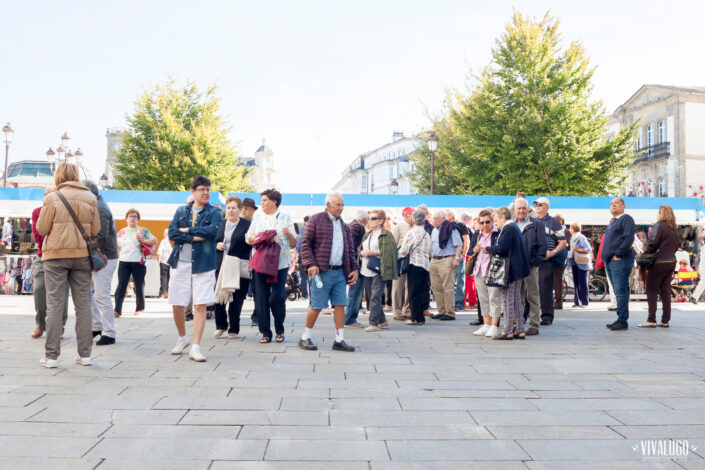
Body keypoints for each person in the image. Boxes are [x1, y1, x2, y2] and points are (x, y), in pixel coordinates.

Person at [36, 163, 100, 368]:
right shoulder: (90, 197)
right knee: (83, 305)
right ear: (76, 175)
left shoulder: (52, 198)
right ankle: (85, 354)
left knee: (54, 304)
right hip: (82, 255)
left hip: (55, 256)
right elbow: (96, 229)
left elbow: (42, 228)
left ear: (59, 176)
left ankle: (52, 357)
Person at [167, 175, 222, 362]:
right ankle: (183, 338)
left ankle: (196, 347)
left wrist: (187, 231)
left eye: (208, 189)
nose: (206, 192)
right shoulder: (181, 210)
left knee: (200, 305)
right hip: (180, 261)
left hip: (203, 264)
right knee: (177, 303)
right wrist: (195, 237)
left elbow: (212, 232)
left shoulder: (214, 212)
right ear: (193, 191)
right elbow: (172, 232)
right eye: (202, 189)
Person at [298, 193, 359, 351]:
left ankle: (339, 340)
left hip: (339, 272)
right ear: (328, 204)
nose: (341, 208)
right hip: (321, 271)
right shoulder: (316, 219)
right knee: (317, 305)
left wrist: (354, 269)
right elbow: (305, 245)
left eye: (342, 204)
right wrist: (310, 264)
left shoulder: (344, 225)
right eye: (338, 204)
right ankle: (305, 337)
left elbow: (350, 251)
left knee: (340, 305)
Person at [246, 188, 297, 343]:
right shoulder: (257, 216)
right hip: (260, 262)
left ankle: (279, 329)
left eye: (264, 200)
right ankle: (265, 332)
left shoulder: (285, 217)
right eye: (261, 200)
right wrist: (262, 238)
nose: (261, 203)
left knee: (277, 297)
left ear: (274, 201)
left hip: (280, 264)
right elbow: (248, 237)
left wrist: (287, 233)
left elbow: (294, 242)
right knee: (261, 298)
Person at [483, 207, 531, 340]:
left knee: (508, 300)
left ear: (503, 217)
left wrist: (488, 249)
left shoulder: (508, 228)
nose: (495, 223)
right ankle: (520, 329)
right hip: (518, 269)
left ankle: (508, 330)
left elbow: (502, 248)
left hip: (511, 270)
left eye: (496, 220)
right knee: (516, 300)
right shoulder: (514, 227)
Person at [82, 180, 119, 346]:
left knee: (101, 295)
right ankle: (97, 326)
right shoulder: (98, 204)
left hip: (104, 257)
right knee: (88, 292)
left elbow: (101, 235)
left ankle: (109, 333)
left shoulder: (99, 208)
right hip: (101, 256)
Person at [30, 186, 69, 339]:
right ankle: (41, 324)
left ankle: (59, 327)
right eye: (47, 195)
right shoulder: (37, 212)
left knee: (62, 293)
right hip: (44, 255)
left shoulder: (64, 212)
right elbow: (38, 235)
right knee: (39, 289)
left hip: (62, 256)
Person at [213, 197, 252, 339]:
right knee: (219, 296)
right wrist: (216, 245)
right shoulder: (220, 224)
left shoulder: (247, 225)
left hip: (238, 265)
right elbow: (211, 241)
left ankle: (234, 328)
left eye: (233, 208)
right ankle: (221, 325)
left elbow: (251, 244)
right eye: (228, 207)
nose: (230, 210)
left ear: (240, 209)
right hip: (220, 265)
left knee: (237, 298)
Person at [639, 205, 679, 328]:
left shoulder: (659, 225)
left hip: (659, 262)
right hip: (671, 261)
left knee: (651, 290)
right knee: (665, 291)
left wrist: (646, 252)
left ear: (662, 214)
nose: (657, 215)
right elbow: (677, 245)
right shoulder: (674, 229)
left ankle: (651, 319)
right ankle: (665, 320)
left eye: (658, 212)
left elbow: (652, 243)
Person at [359, 209, 397, 331]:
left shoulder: (386, 234)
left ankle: (373, 323)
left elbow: (390, 252)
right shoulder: (367, 234)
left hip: (380, 268)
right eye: (370, 218)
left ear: (381, 220)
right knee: (371, 296)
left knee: (375, 296)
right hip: (366, 268)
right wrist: (361, 253)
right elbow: (361, 248)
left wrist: (372, 252)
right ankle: (382, 320)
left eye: (373, 218)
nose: (370, 220)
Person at [114, 209, 157, 317]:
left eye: (134, 216)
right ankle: (117, 310)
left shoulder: (143, 231)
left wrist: (144, 240)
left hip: (139, 261)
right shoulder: (121, 232)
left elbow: (155, 241)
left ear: (138, 219)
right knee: (121, 285)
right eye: (130, 216)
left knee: (139, 285)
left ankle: (139, 308)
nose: (132, 218)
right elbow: (117, 246)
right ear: (126, 219)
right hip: (124, 261)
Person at [513, 198, 546, 336]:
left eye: (523, 208)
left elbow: (542, 246)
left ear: (528, 210)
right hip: (515, 267)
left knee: (532, 296)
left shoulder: (536, 224)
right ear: (515, 210)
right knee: (517, 297)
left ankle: (534, 325)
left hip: (530, 266)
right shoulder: (512, 225)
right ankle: (517, 324)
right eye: (518, 208)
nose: (521, 211)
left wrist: (535, 263)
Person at [601, 197, 635, 331]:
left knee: (620, 290)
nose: (613, 205)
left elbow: (628, 238)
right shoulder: (612, 222)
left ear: (624, 206)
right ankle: (621, 318)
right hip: (611, 261)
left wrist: (618, 254)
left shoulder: (625, 219)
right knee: (619, 290)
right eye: (611, 203)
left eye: (616, 203)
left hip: (620, 260)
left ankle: (622, 320)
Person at [532, 197, 567, 325]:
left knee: (545, 288)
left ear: (547, 207)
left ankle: (547, 316)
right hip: (532, 259)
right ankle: (526, 315)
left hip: (547, 260)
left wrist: (552, 252)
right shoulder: (532, 221)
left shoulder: (554, 222)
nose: (538, 206)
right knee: (528, 288)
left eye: (540, 204)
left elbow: (563, 242)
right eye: (536, 204)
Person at [470, 209, 501, 337]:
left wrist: (490, 250)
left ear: (492, 221)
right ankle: (486, 323)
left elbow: (502, 249)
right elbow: (470, 251)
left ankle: (494, 325)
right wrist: (474, 249)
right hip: (478, 270)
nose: (484, 225)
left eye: (487, 222)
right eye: (482, 222)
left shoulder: (497, 233)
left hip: (493, 270)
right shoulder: (477, 234)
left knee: (494, 298)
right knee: (482, 298)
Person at [397, 209, 432, 325]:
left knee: (413, 292)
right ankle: (421, 316)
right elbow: (430, 251)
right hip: (425, 265)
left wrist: (395, 257)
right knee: (422, 291)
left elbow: (404, 250)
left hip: (414, 263)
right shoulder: (426, 234)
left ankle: (415, 318)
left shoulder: (411, 233)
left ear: (413, 219)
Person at [429, 210, 463, 321]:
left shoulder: (450, 228)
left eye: (437, 218)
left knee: (447, 287)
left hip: (447, 259)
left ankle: (450, 312)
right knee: (436, 287)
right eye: (433, 218)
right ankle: (441, 311)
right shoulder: (433, 230)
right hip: (434, 259)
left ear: (443, 219)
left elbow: (459, 245)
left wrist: (456, 259)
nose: (434, 221)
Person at [344, 210, 369, 327]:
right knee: (355, 292)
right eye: (369, 219)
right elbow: (352, 247)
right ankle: (350, 319)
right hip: (356, 264)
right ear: (364, 220)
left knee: (354, 292)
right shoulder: (357, 227)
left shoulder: (352, 225)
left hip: (351, 263)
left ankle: (349, 318)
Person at [391, 207, 413, 321]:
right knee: (397, 287)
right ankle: (397, 311)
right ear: (406, 215)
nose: (413, 218)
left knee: (409, 286)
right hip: (400, 261)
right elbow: (393, 244)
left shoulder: (415, 227)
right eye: (412, 215)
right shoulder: (398, 226)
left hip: (412, 261)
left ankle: (407, 310)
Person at [447, 209, 469, 311]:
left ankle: (459, 303)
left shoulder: (460, 225)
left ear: (451, 216)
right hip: (449, 256)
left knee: (459, 280)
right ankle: (452, 303)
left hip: (459, 255)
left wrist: (463, 255)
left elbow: (466, 240)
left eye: (446, 215)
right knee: (452, 280)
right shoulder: (446, 225)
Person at [567, 222, 592, 309]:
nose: (570, 230)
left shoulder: (581, 237)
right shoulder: (572, 238)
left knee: (583, 283)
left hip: (582, 263)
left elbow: (588, 249)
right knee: (576, 283)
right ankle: (577, 302)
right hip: (574, 262)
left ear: (573, 229)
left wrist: (577, 249)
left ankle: (584, 302)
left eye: (570, 228)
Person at [552, 214, 569, 310]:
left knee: (556, 282)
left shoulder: (561, 231)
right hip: (561, 260)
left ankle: (558, 302)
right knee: (557, 282)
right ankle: (557, 302)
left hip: (557, 259)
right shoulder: (565, 231)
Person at [294, 215, 311, 300]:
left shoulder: (304, 229)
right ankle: (312, 295)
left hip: (303, 255)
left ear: (305, 222)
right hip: (312, 257)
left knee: (303, 276)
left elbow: (300, 242)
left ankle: (304, 295)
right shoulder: (315, 229)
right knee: (311, 276)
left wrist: (296, 250)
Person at [691, 225, 705, 304]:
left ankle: (694, 297)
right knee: (703, 282)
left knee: (703, 282)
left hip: (702, 267)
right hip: (704, 267)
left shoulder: (703, 247)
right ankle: (694, 297)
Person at [157, 229, 172, 299]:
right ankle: (169, 292)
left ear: (166, 234)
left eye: (163, 233)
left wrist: (159, 260)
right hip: (171, 262)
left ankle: (164, 292)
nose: (163, 235)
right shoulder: (173, 240)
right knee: (170, 278)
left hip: (164, 262)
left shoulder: (164, 241)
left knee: (163, 277)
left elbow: (159, 252)